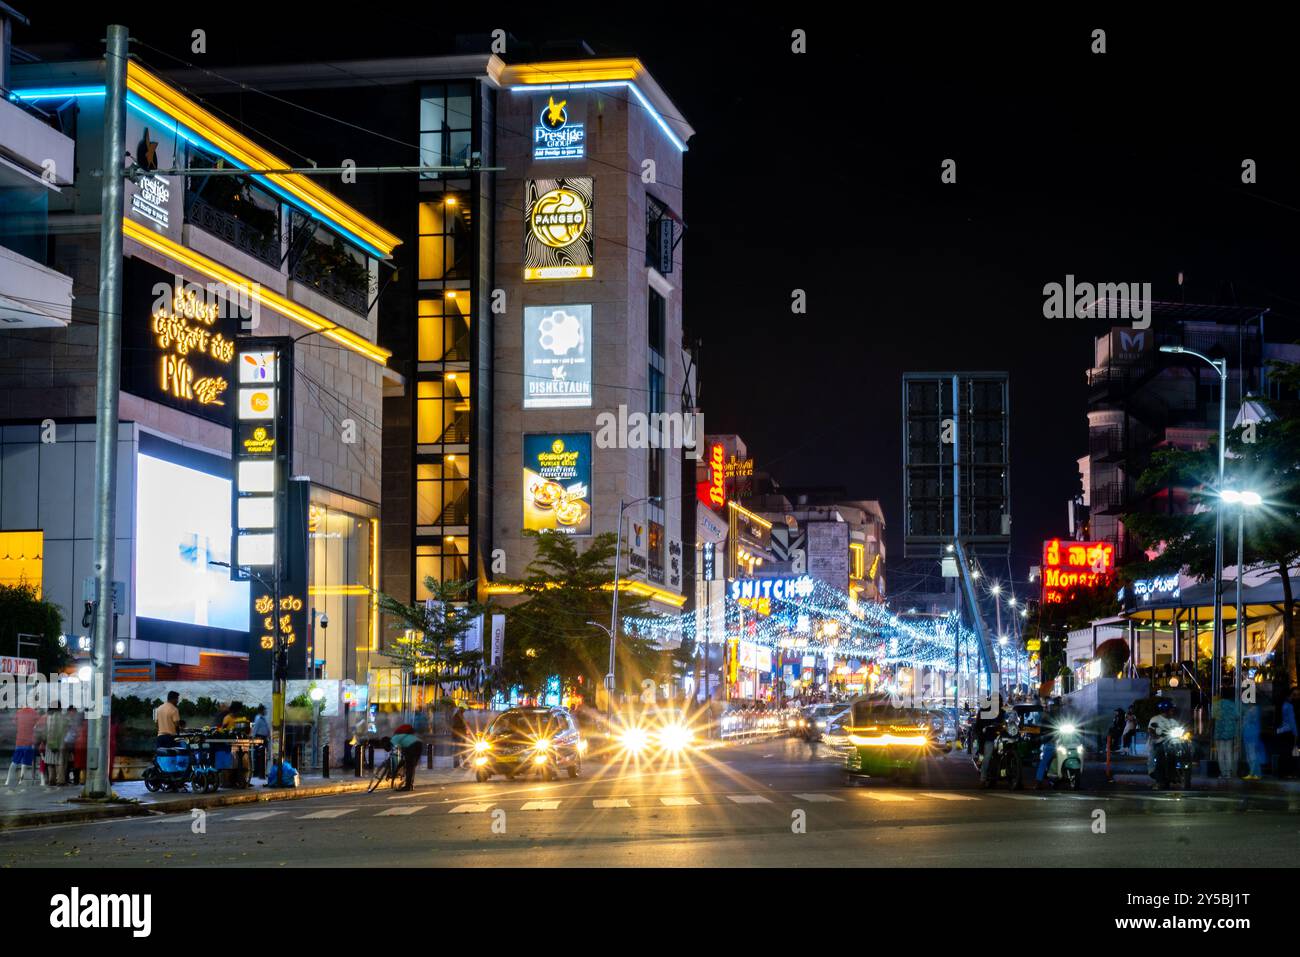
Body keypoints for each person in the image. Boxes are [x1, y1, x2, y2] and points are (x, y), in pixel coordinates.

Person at [4, 705, 39, 787]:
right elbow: (37, 726)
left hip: (19, 741)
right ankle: (21, 780)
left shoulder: (19, 712)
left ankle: (7, 781)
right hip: (29, 742)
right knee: (25, 762)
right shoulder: (34, 713)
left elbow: (15, 724)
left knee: (14, 762)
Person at [1147, 698, 1180, 778]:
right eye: (1172, 709)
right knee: (1156, 753)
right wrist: (1155, 735)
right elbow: (1150, 729)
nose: (1173, 711)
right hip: (1158, 742)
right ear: (1166, 710)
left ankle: (1179, 769)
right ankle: (1153, 771)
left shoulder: (1174, 721)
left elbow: (1179, 729)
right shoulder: (1156, 719)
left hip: (1172, 743)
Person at [1210, 687, 1239, 778]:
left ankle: (1223, 773)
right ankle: (1228, 773)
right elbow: (1237, 716)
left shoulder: (1216, 705)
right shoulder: (1233, 705)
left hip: (1219, 732)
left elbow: (1213, 718)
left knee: (1221, 753)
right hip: (1230, 732)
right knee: (1228, 752)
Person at [389, 723, 423, 791]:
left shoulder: (394, 738)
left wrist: (395, 768)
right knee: (411, 766)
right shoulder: (403, 736)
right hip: (418, 744)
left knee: (409, 767)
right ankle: (410, 785)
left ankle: (408, 787)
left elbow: (394, 749)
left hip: (412, 746)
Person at [1277, 687, 1298, 779]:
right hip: (1288, 731)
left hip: (1281, 731)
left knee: (1283, 752)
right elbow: (1292, 721)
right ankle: (1288, 772)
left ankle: (1282, 773)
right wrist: (1296, 733)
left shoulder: (1282, 705)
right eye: (1294, 695)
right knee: (1289, 753)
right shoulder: (1289, 706)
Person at [1241, 699, 1264, 781]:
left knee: (1252, 755)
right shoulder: (1252, 710)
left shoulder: (1253, 710)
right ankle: (1256, 774)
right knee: (1250, 755)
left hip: (1251, 736)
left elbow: (1249, 721)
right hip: (1248, 736)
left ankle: (1253, 773)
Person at [250, 705, 271, 780]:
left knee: (263, 755)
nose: (265, 711)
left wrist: (269, 735)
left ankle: (262, 772)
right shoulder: (258, 718)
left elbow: (267, 728)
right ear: (261, 711)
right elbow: (255, 728)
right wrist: (253, 737)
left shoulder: (263, 718)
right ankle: (257, 772)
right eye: (264, 710)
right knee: (259, 755)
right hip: (259, 738)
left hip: (264, 738)